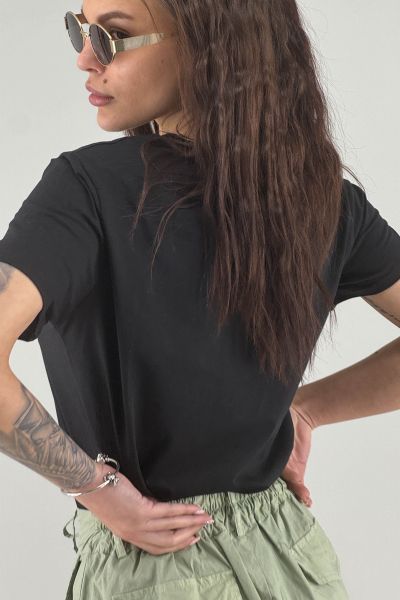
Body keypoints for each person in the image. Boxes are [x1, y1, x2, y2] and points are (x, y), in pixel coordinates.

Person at [0, 1, 399, 598]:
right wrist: (306, 410)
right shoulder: (323, 198)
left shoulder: (86, 191)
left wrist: (96, 489)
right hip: (293, 558)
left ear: (208, 46)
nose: (84, 59)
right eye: (79, 31)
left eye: (111, 37)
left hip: (156, 558)